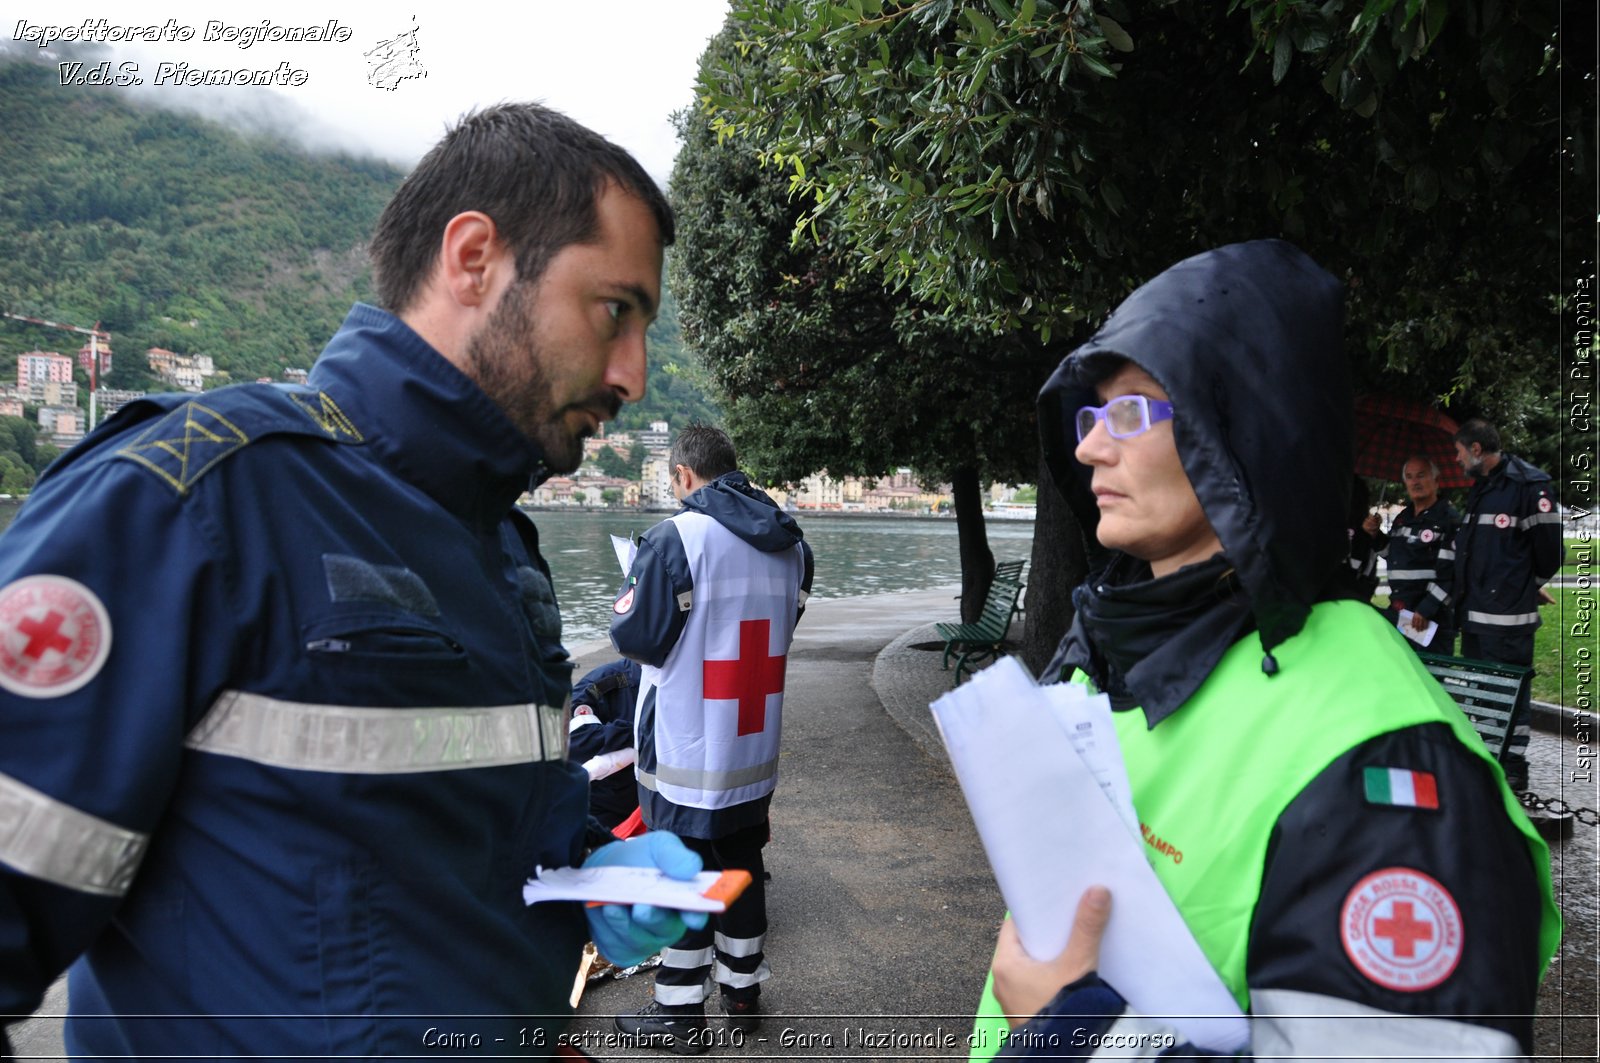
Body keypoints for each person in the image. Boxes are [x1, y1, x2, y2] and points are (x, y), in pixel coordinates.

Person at [0, 103, 710, 1059]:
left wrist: (586, 872)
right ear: (472, 259)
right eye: (615, 311)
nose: (633, 375)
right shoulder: (196, 502)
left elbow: (445, 842)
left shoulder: (504, 549)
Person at [968, 241, 1559, 1060]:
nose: (1090, 448)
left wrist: (1078, 1032)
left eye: (1133, 411)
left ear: (1239, 431)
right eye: (1092, 416)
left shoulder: (1384, 758)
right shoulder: (1106, 651)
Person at [610, 424, 813, 1052]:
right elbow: (789, 613)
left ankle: (679, 1016)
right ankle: (744, 994)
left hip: (687, 743)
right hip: (752, 740)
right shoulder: (791, 542)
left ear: (682, 475)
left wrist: (627, 599)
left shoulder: (677, 538)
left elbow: (640, 639)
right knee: (744, 862)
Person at [1451, 419, 1565, 791]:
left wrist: (1525, 586)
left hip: (1508, 620)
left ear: (1477, 450)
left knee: (1510, 694)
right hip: (1475, 618)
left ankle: (1513, 768)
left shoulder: (1528, 485)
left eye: (1459, 452)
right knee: (1482, 691)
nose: (1457, 459)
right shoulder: (1483, 487)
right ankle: (1486, 762)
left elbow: (1550, 552)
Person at [1364, 456, 1460, 654]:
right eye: (1409, 477)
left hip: (1431, 619)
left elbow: (1452, 572)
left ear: (1436, 480)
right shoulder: (1403, 518)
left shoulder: (1447, 519)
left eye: (1421, 475)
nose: (1415, 482)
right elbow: (1392, 555)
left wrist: (1427, 608)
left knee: (1430, 677)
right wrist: (1375, 535)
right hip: (1401, 613)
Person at [569, 658, 645, 832]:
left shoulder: (684, 680)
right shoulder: (603, 683)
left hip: (664, 804)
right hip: (609, 808)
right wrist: (642, 733)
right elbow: (579, 739)